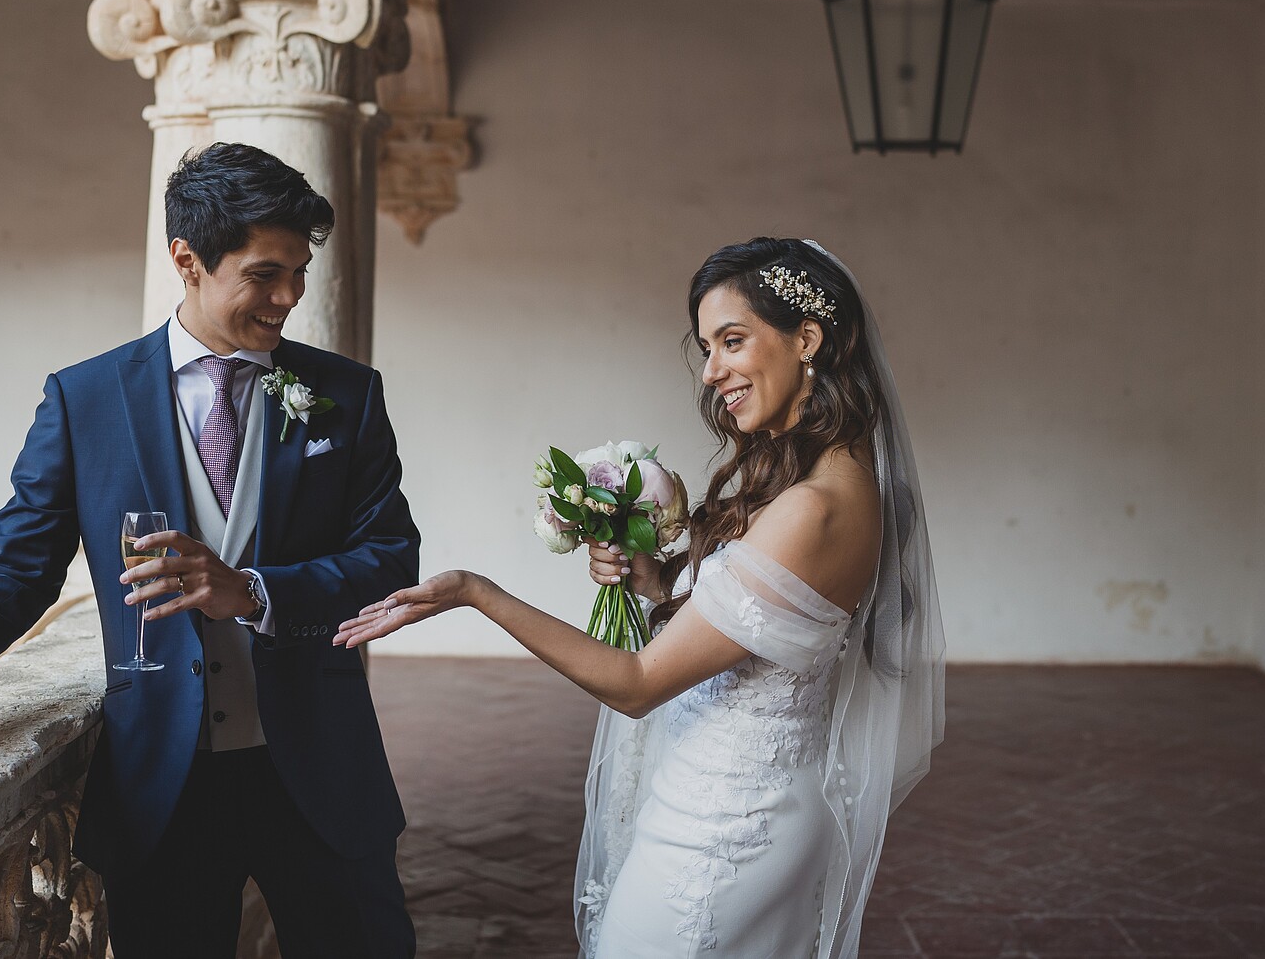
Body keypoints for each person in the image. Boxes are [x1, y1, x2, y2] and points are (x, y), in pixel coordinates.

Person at [335, 236, 944, 959]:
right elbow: (753, 625)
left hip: (727, 829)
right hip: (747, 798)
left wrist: (477, 592)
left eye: (732, 341)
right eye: (707, 346)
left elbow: (638, 683)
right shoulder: (816, 482)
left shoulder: (813, 506)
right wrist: (657, 579)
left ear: (807, 338)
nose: (713, 370)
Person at [0, 142, 421, 958]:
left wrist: (252, 589)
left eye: (297, 272)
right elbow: (16, 567)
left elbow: (391, 558)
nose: (287, 297)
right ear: (187, 259)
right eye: (262, 274)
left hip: (321, 768)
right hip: (162, 784)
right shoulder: (85, 399)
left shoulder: (345, 394)